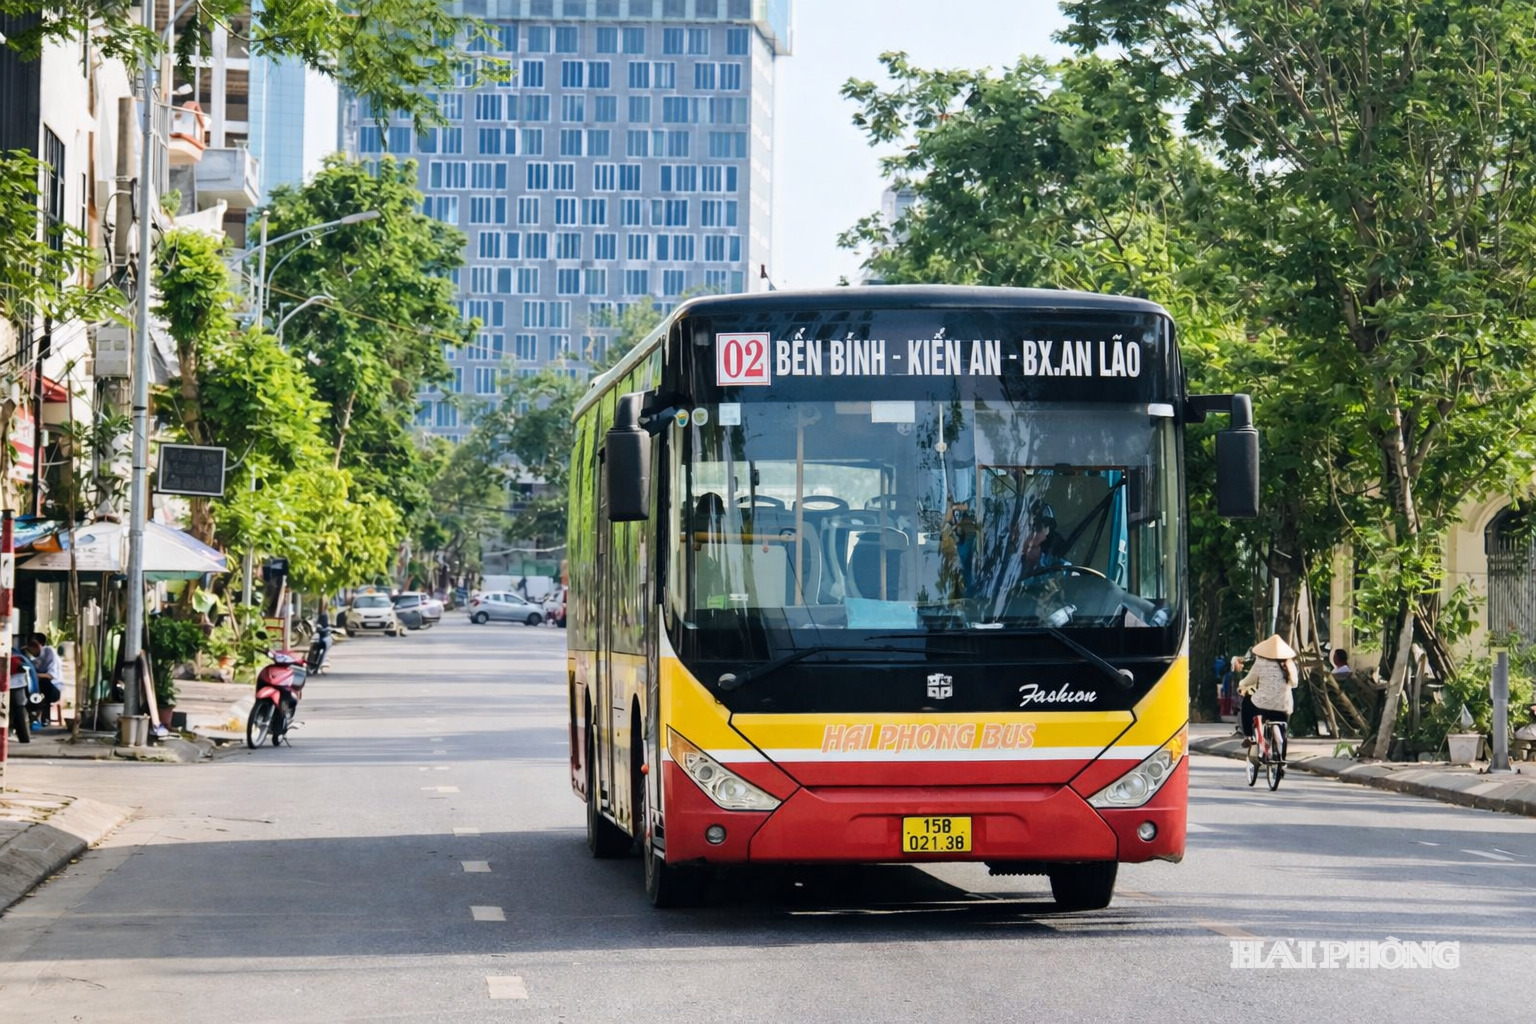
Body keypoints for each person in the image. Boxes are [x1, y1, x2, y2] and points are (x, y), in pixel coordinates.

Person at [1238, 634, 1299, 762]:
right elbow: (1294, 683)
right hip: (1284, 706)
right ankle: (1282, 761)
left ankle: (1249, 736)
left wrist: (1241, 685)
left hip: (1262, 706)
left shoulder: (1261, 662)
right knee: (1283, 730)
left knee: (1247, 702)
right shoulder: (1289, 663)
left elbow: (1249, 680)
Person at [26, 633, 62, 730]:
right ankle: (31, 716)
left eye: (32, 646)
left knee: (43, 683)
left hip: (53, 689)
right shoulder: (34, 657)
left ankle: (40, 717)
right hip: (41, 687)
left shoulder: (49, 652)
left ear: (38, 645)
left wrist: (34, 675)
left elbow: (50, 676)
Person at [7, 651, 32, 744]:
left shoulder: (15, 657)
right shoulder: (17, 656)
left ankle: (23, 737)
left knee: (18, 710)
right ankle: (24, 738)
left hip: (14, 682)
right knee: (19, 709)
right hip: (18, 682)